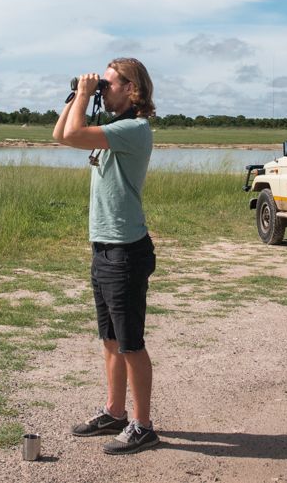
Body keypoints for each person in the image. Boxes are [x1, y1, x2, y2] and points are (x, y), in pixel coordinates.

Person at [53, 58, 160, 455]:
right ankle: (115, 412)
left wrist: (84, 95)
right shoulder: (115, 128)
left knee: (131, 342)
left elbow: (76, 132)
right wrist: (76, 95)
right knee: (111, 339)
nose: (102, 88)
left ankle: (143, 425)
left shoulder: (132, 129)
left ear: (132, 88)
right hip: (105, 248)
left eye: (108, 83)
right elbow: (62, 135)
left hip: (126, 252)